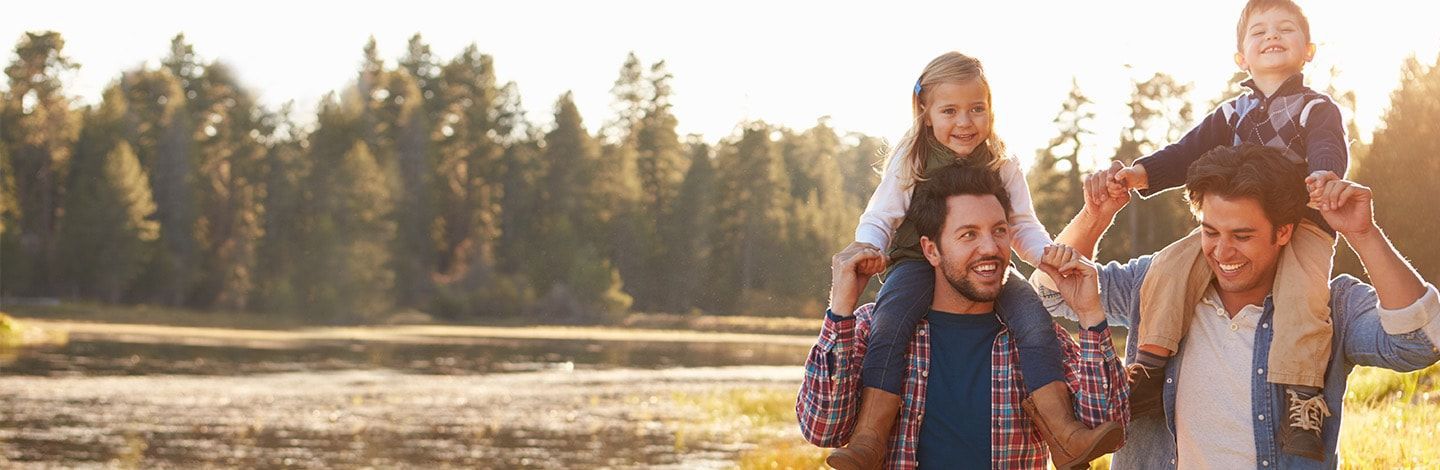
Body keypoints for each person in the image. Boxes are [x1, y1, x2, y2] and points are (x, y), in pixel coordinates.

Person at [1038, 144, 1440, 468]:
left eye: (1242, 235)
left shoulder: (1328, 306)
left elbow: (1419, 343)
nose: (1222, 251)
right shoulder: (1158, 283)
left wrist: (1363, 234)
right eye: (1210, 231)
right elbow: (1052, 293)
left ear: (1283, 232)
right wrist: (1096, 214)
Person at [827, 50, 1116, 469]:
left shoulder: (1002, 161)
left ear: (990, 109)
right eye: (950, 111)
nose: (965, 123)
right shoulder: (912, 157)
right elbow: (881, 216)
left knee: (1034, 319)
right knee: (891, 322)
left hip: (985, 268)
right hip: (913, 260)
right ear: (925, 112)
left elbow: (1021, 225)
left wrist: (1045, 257)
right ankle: (870, 436)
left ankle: (1063, 433)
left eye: (976, 109)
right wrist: (868, 248)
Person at [1105, 0, 1349, 458]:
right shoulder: (1232, 113)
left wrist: (1325, 176)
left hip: (1303, 221)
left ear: (1309, 49)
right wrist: (1142, 174)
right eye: (1259, 32)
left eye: (1285, 29)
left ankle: (1301, 398)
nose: (1272, 36)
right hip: (1235, 227)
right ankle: (1151, 367)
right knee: (1170, 264)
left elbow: (1327, 147)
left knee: (1304, 294)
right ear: (1241, 57)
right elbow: (1187, 151)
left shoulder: (1316, 109)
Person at [799, 163, 1128, 469]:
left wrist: (1089, 313)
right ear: (931, 250)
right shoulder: (876, 328)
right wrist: (840, 310)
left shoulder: (1036, 337)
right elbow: (822, 428)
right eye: (968, 234)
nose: (990, 247)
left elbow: (1109, 423)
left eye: (999, 231)